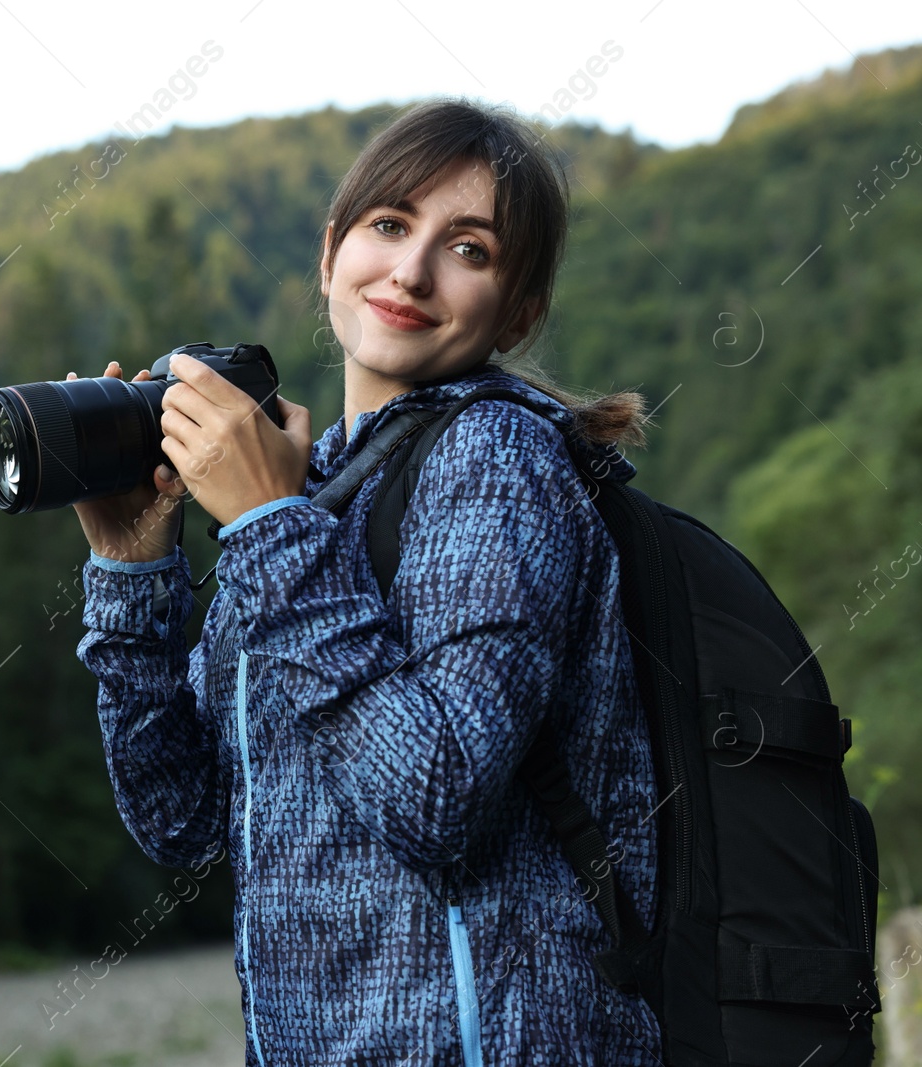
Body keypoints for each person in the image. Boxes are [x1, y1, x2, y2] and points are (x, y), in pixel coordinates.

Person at [68, 97, 663, 1066]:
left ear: (516, 309)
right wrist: (131, 572)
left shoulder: (498, 459)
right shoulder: (319, 488)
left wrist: (263, 522)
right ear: (331, 251)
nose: (411, 270)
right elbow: (186, 819)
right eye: (389, 225)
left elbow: (435, 793)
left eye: (467, 247)